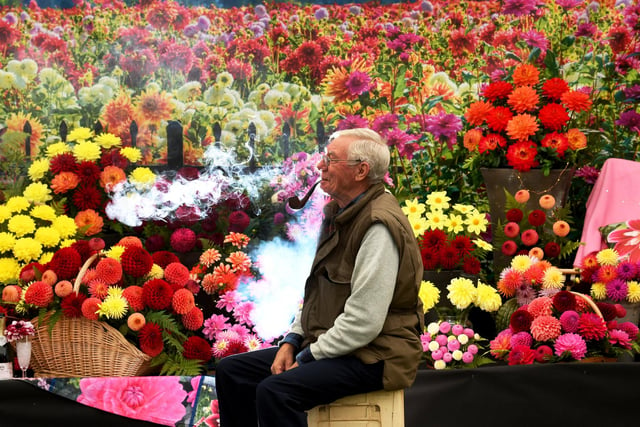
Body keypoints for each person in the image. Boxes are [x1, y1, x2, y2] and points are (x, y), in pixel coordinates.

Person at [215, 128, 424, 426]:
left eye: (331, 159)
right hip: (339, 344)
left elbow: (364, 323)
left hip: (377, 354)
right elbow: (317, 292)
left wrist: (305, 357)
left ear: (361, 171)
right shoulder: (340, 213)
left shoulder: (378, 226)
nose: (319, 166)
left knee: (276, 391)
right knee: (232, 372)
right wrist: (291, 341)